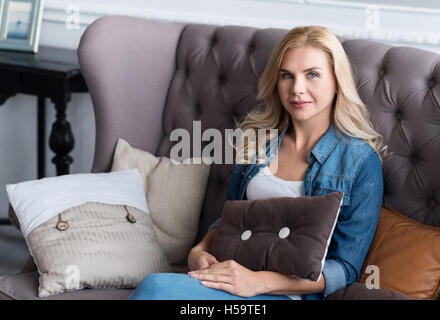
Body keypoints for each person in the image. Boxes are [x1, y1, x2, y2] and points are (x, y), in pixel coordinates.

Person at [128, 25, 388, 300]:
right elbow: (228, 220)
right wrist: (199, 252)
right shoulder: (256, 143)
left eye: (312, 75)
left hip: (283, 294)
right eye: (287, 75)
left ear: (336, 81)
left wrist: (258, 282)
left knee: (156, 289)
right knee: (157, 288)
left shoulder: (360, 162)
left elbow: (345, 268)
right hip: (230, 279)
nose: (297, 88)